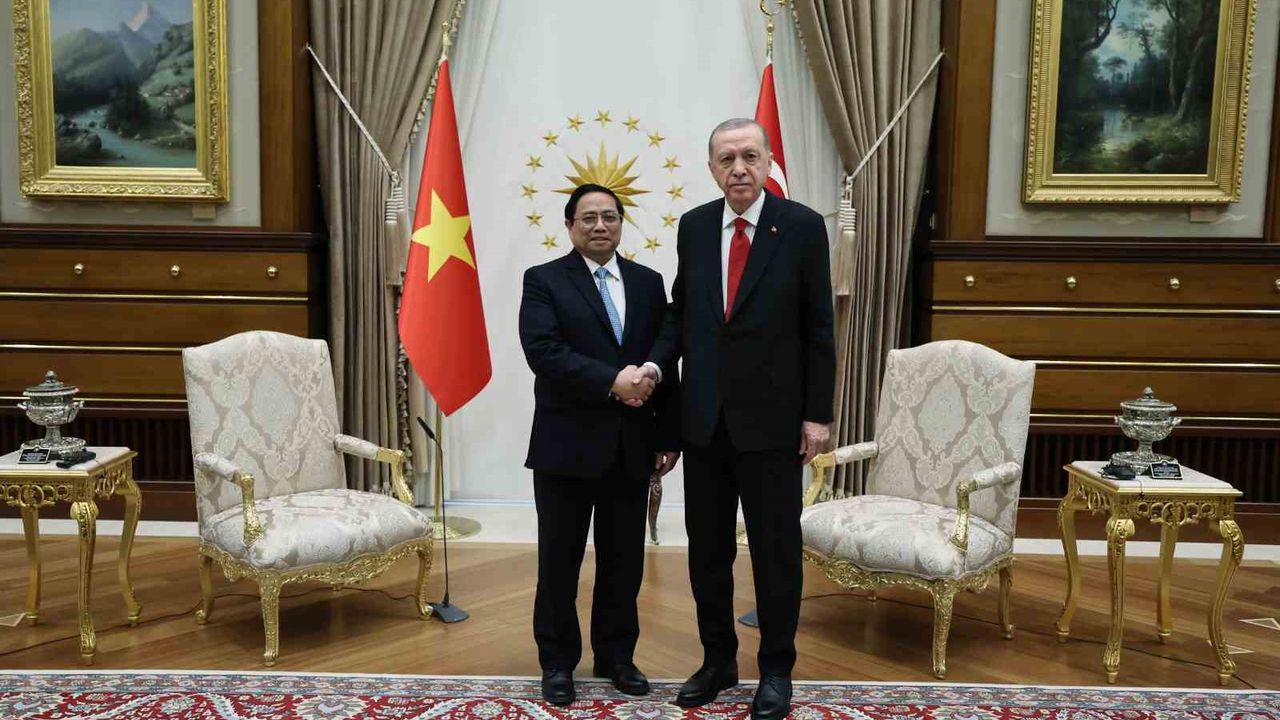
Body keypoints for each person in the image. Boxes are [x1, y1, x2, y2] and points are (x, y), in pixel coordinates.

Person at [642, 118, 835, 720]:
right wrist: (654, 365)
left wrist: (817, 416)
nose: (739, 169)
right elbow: (682, 314)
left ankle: (776, 671)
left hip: (774, 424)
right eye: (726, 159)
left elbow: (819, 327)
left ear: (768, 161)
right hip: (705, 423)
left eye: (749, 156)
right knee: (708, 553)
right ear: (712, 169)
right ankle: (718, 661)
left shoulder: (802, 226)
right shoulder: (695, 226)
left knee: (777, 554)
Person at [519, 183, 681, 706]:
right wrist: (613, 381)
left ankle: (616, 657)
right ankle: (557, 663)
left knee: (623, 562)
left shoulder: (648, 282)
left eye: (609, 217)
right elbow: (544, 352)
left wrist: (667, 433)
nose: (599, 226)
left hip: (632, 447)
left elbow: (665, 355)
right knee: (559, 562)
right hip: (565, 447)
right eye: (587, 217)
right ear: (569, 225)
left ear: (621, 224)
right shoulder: (543, 280)